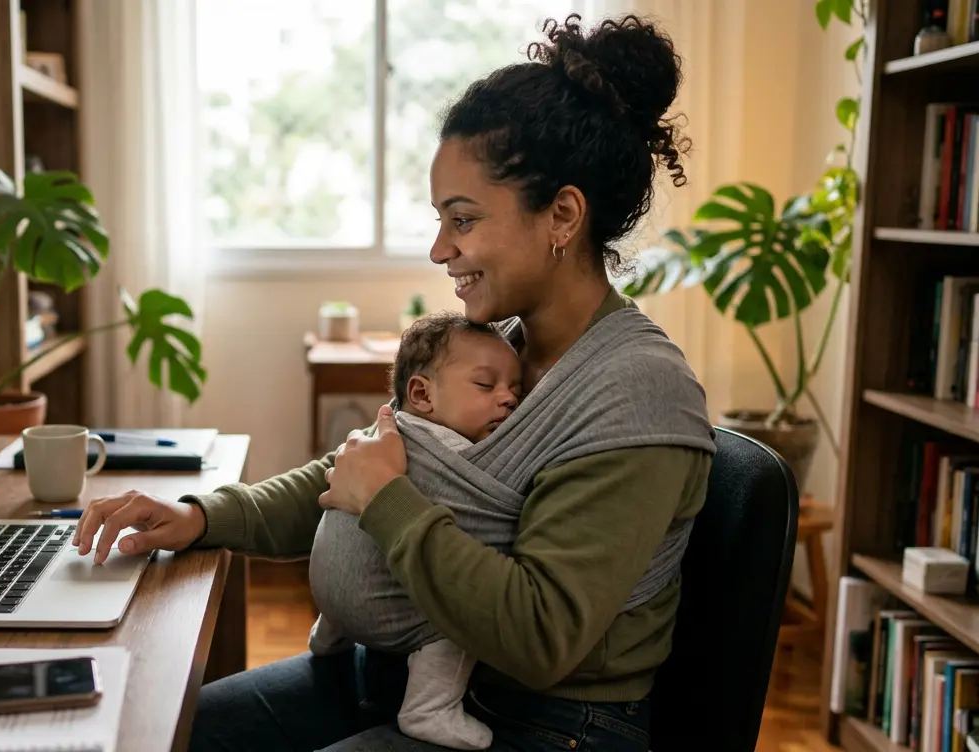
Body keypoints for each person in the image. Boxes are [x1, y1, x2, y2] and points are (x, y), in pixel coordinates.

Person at [73, 13, 714, 751]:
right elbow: (363, 463)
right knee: (167, 731)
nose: (441, 248)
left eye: (463, 219)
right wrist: (201, 516)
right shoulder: (501, 349)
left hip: (546, 721)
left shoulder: (635, 391)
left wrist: (388, 504)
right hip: (404, 676)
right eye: (441, 219)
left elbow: (543, 637)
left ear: (562, 216)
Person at [308, 312, 522, 750]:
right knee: (464, 611)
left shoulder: (380, 436)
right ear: (422, 394)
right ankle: (429, 709)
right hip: (381, 616)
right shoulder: (462, 455)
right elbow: (499, 519)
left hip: (327, 596)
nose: (509, 400)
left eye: (516, 389)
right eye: (486, 386)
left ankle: (327, 637)